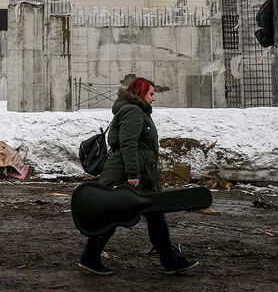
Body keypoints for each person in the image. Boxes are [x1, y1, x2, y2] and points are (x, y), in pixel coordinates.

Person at [77, 77, 199, 276]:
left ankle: (170, 259)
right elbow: (128, 144)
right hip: (130, 176)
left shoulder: (138, 111)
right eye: (151, 94)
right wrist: (133, 174)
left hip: (143, 175)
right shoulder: (133, 111)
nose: (153, 98)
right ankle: (90, 257)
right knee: (114, 216)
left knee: (154, 216)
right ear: (141, 93)